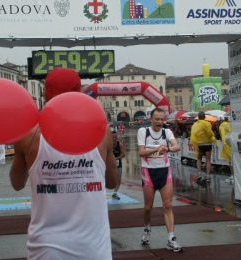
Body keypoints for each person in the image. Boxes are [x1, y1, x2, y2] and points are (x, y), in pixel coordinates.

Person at [10, 68, 119, 260]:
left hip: (46, 248)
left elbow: (17, 183)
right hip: (93, 247)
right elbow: (112, 182)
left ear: (45, 94)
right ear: (80, 93)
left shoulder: (28, 136)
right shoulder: (102, 133)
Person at [137, 108, 183, 252]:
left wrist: (168, 150)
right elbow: (141, 152)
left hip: (164, 170)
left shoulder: (167, 132)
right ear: (151, 119)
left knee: (168, 205)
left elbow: (177, 146)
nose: (160, 122)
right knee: (148, 207)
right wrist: (157, 149)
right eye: (157, 119)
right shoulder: (143, 132)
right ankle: (147, 229)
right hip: (149, 172)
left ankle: (171, 238)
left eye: (162, 119)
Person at [190, 111, 217, 183]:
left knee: (199, 159)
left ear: (198, 117)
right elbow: (210, 133)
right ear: (205, 117)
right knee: (208, 160)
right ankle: (208, 176)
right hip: (208, 143)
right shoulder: (208, 123)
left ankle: (199, 174)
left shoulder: (195, 124)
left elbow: (193, 133)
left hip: (199, 144)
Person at [219, 116, 233, 183]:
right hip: (231, 143)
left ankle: (232, 175)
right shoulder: (230, 125)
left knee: (230, 162)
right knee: (233, 161)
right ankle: (234, 176)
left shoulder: (221, 125)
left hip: (225, 144)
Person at [112, 131, 126, 200]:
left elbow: (123, 154)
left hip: (118, 163)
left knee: (119, 178)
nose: (114, 139)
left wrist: (116, 158)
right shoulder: (108, 145)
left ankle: (115, 193)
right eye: (113, 137)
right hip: (109, 163)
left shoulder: (119, 144)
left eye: (115, 137)